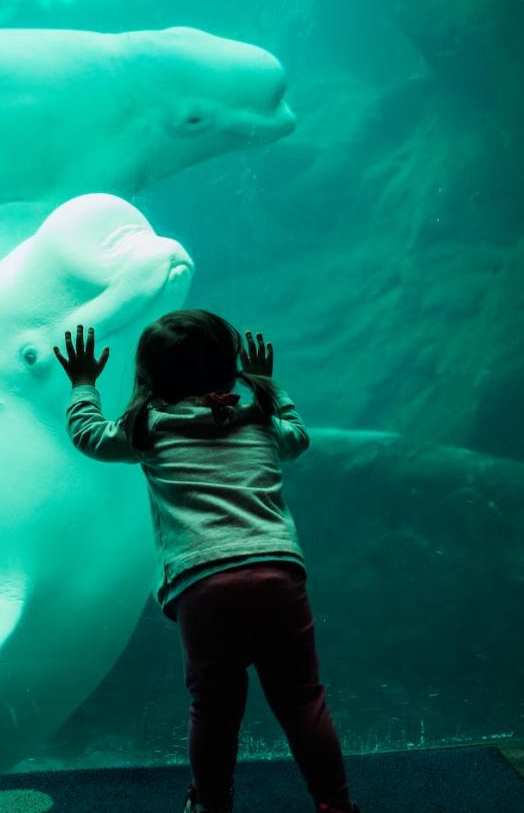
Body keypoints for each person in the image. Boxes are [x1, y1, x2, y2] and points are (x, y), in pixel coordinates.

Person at [53, 310, 358, 813]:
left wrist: (84, 383)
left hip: (204, 583)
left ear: (149, 375)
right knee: (303, 701)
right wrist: (269, 386)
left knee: (214, 710)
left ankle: (213, 806)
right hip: (277, 572)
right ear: (231, 367)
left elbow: (89, 435)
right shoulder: (260, 418)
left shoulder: (147, 426)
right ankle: (335, 804)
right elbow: (298, 438)